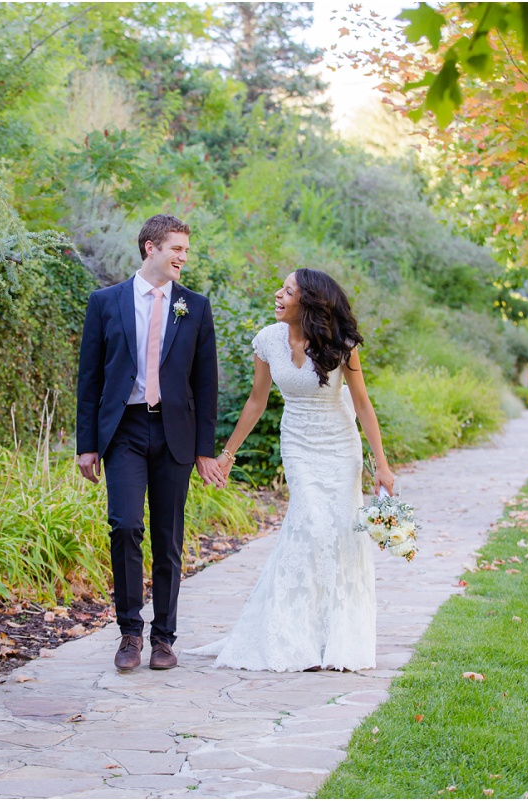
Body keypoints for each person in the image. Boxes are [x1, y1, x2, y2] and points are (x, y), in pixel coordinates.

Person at [189, 268, 394, 672]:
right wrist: (227, 455)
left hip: (339, 447)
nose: (278, 295)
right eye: (281, 288)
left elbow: (364, 406)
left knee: (338, 535)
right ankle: (293, 636)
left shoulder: (341, 344)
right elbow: (255, 401)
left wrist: (382, 466)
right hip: (298, 445)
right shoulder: (267, 340)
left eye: (287, 290)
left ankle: (332, 638)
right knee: (310, 525)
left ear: (310, 302)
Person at [75, 214, 225, 672]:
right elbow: (90, 377)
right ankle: (129, 633)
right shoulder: (106, 302)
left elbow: (206, 383)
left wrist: (204, 449)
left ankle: (164, 638)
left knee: (168, 536)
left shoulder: (194, 307)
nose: (183, 257)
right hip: (124, 430)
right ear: (150, 248)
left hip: (174, 433)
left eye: (185, 250)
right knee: (124, 525)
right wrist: (87, 443)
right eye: (176, 248)